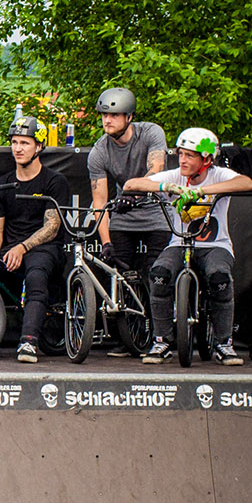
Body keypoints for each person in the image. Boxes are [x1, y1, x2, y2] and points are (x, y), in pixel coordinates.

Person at [124, 127, 252, 366]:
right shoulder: (175, 175)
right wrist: (168, 188)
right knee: (159, 274)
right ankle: (161, 341)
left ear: (206, 159)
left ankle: (224, 344)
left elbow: (246, 183)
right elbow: (131, 185)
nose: (182, 160)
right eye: (180, 154)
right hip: (179, 242)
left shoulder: (219, 174)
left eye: (190, 155)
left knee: (219, 278)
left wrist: (201, 191)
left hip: (216, 245)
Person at [86, 86, 169, 353]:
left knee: (157, 275)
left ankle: (161, 338)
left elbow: (156, 172)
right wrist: (106, 242)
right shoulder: (98, 152)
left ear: (129, 117)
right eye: (103, 115)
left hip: (157, 210)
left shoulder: (152, 133)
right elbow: (100, 203)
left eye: (114, 115)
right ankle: (129, 338)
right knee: (123, 277)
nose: (107, 120)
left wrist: (133, 193)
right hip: (124, 214)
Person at [0, 118, 71, 363]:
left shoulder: (54, 181)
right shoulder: (2, 184)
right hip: (11, 251)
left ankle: (29, 342)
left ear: (39, 147)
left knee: (35, 273)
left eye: (25, 142)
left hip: (45, 249)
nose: (18, 148)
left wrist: (22, 248)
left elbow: (52, 228)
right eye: (14, 142)